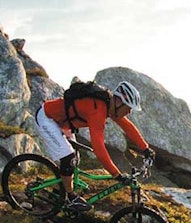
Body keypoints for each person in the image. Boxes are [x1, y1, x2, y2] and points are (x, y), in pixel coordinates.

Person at [34, 80, 155, 212]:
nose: (130, 112)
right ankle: (70, 198)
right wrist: (116, 175)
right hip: (47, 118)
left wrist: (145, 148)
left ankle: (59, 191)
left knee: (73, 161)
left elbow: (128, 127)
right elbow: (98, 148)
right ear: (119, 102)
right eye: (129, 107)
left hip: (63, 124)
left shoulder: (110, 105)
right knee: (68, 157)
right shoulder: (97, 111)